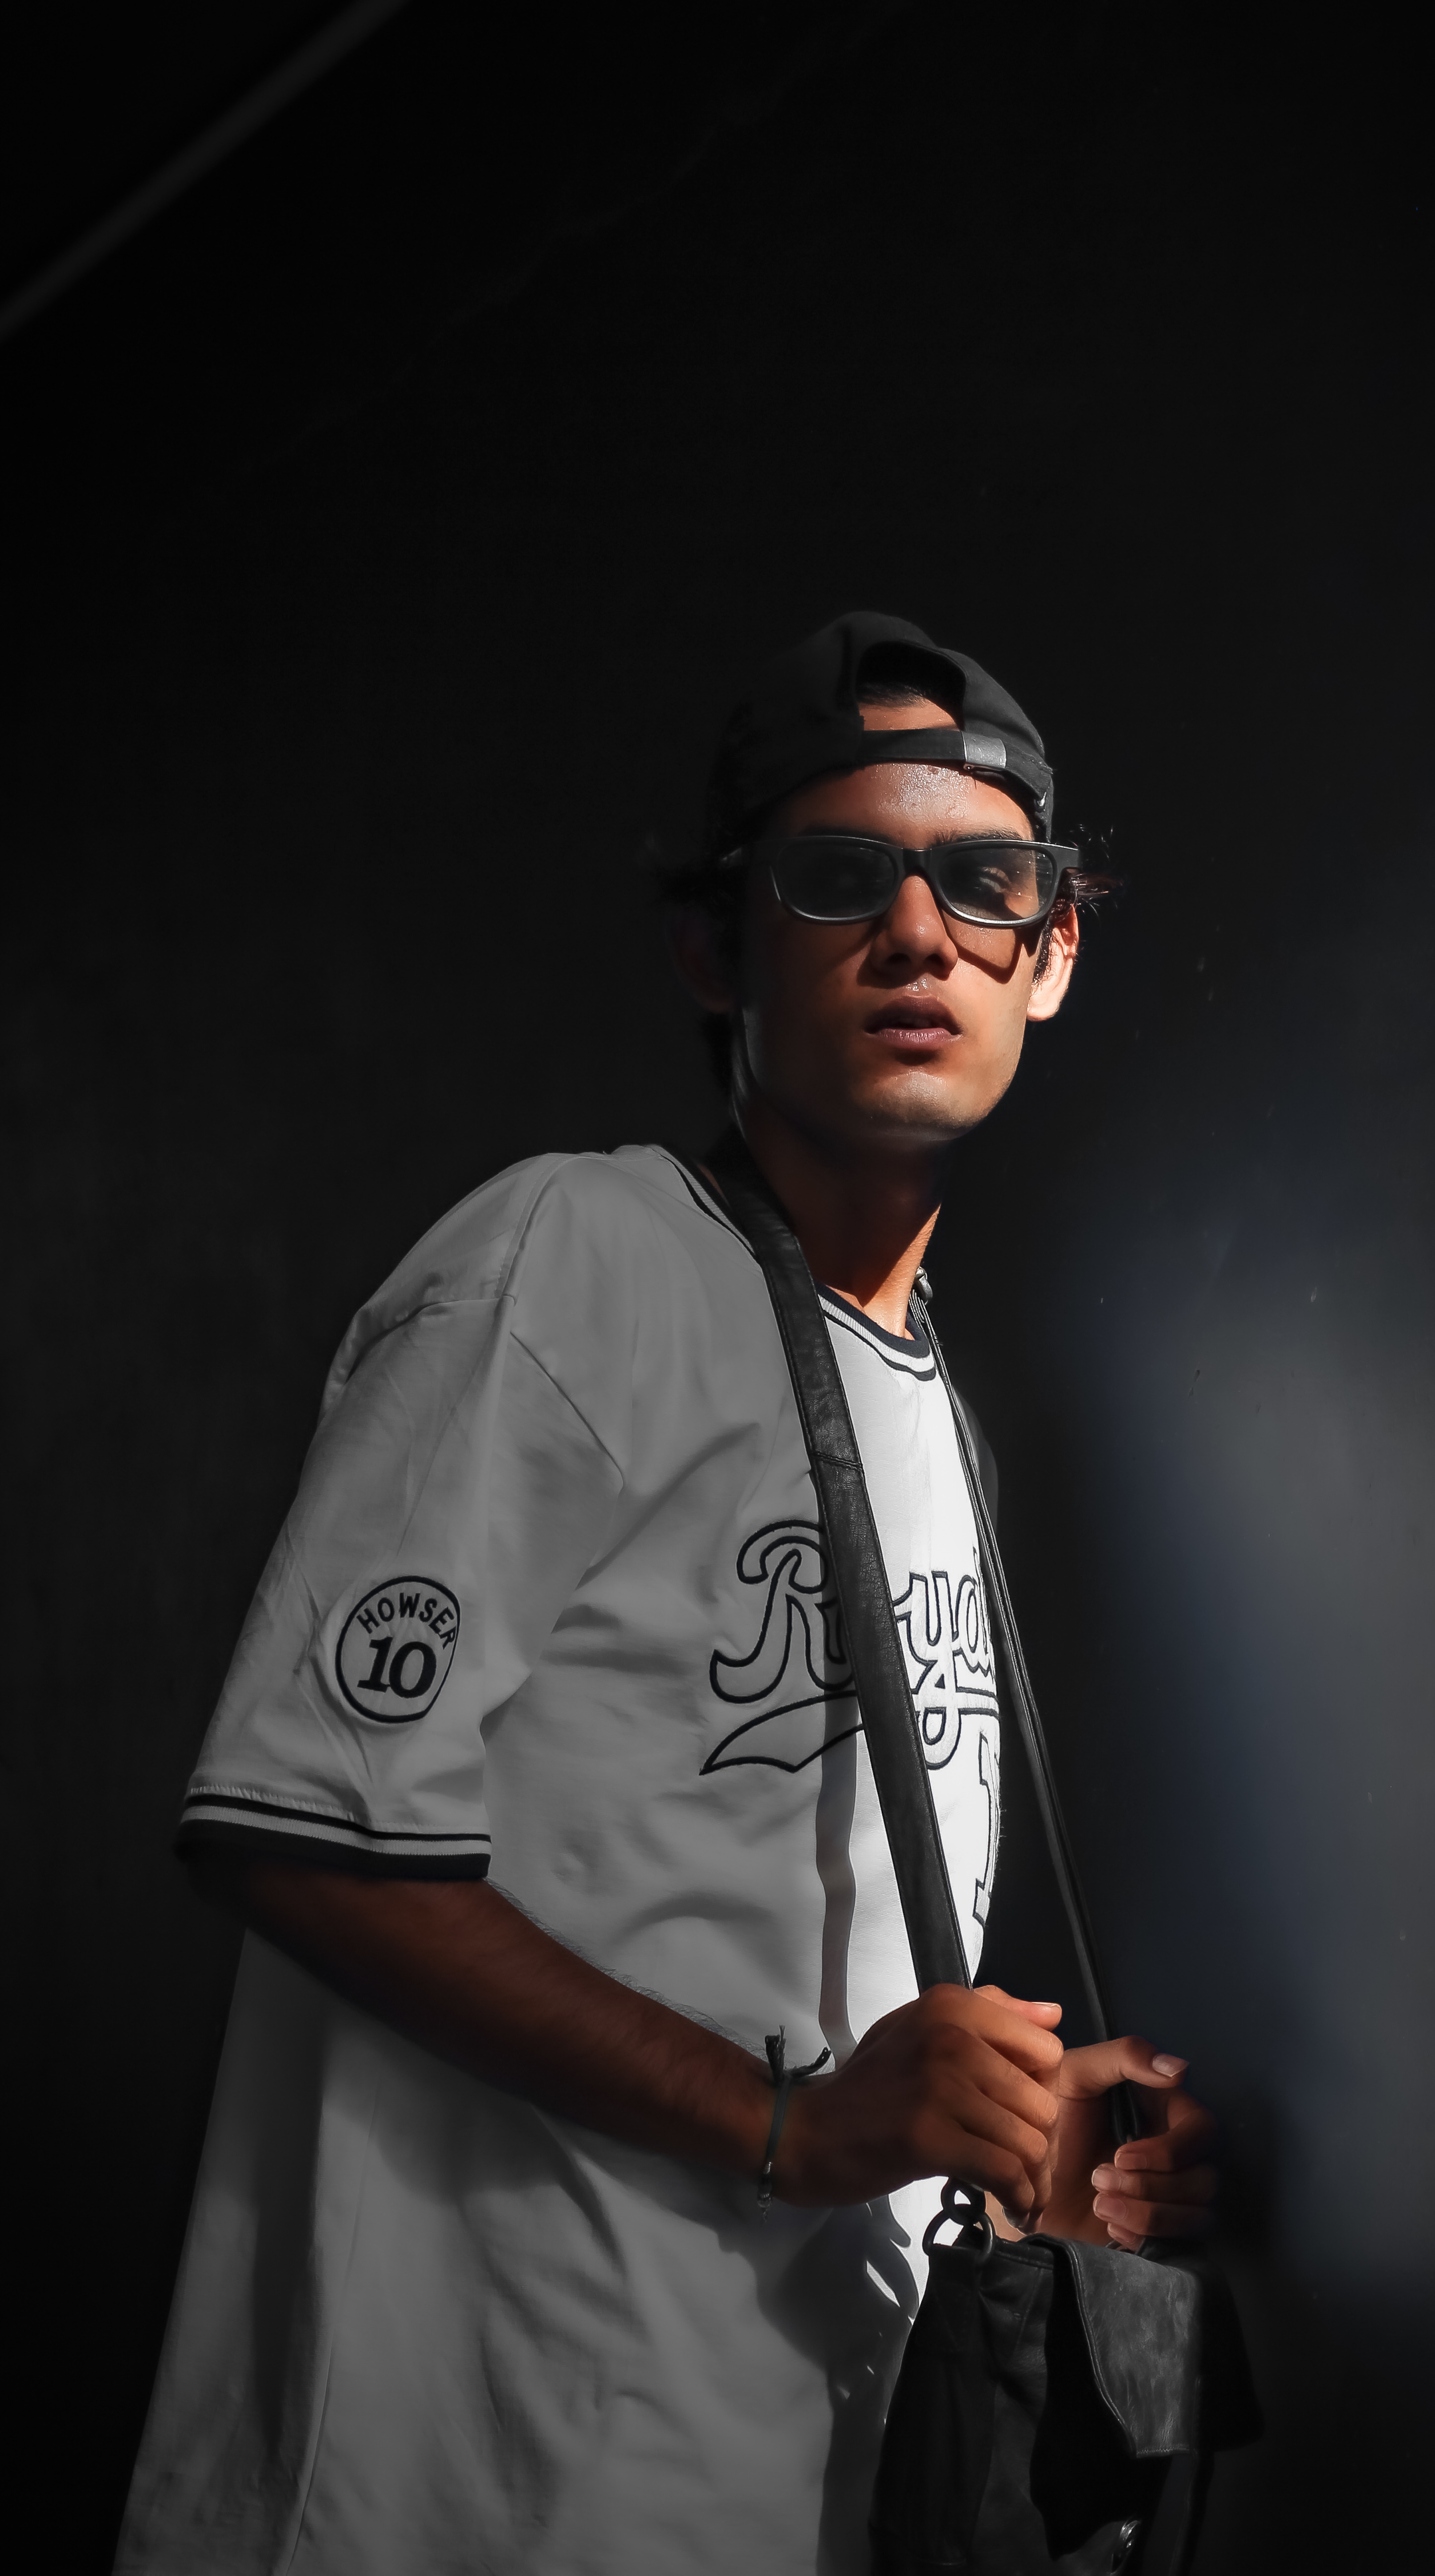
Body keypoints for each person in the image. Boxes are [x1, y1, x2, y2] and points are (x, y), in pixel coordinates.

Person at [116, 612, 1218, 2576]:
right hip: (476, 2488)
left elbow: (761, 1943)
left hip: (779, 2478)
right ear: (718, 952)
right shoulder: (576, 1257)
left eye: (983, 884)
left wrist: (1004, 2125)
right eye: (838, 876)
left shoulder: (933, 1402)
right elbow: (299, 1829)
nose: (919, 933)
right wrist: (798, 2127)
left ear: (1051, 954)